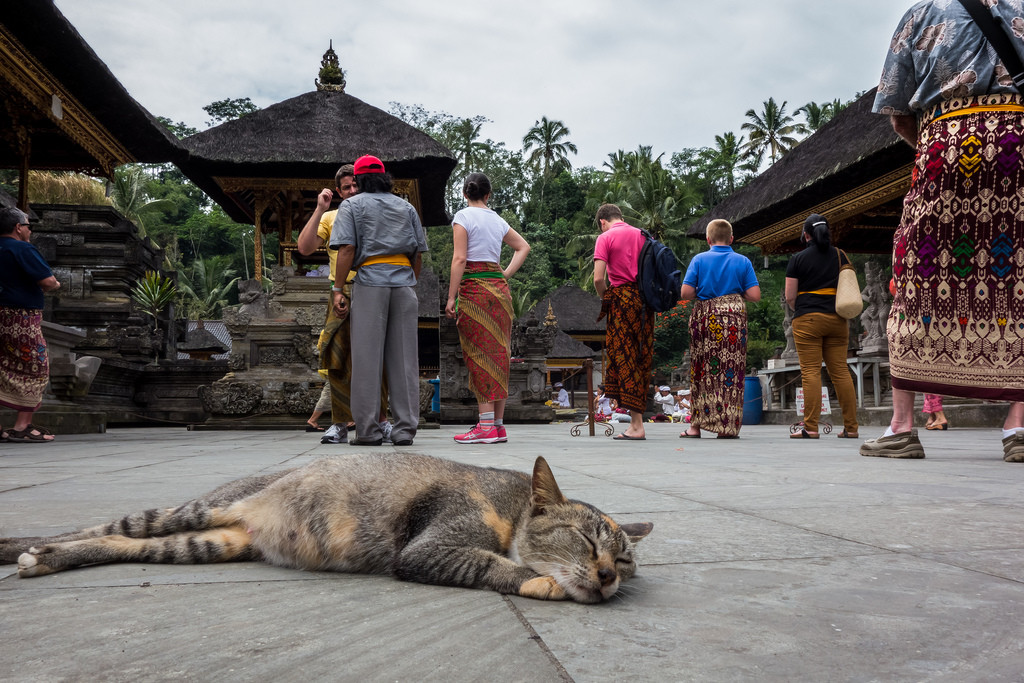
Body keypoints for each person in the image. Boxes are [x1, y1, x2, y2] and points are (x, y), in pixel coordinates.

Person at [869, 1, 1024, 462]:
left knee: (917, 272)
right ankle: (1018, 428)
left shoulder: (921, 14)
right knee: (1017, 274)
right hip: (1019, 140)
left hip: (948, 139)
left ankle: (901, 426)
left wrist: (945, 146)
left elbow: (898, 113)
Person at [331, 155, 428, 447]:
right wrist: (408, 281)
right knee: (405, 361)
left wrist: (338, 288)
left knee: (366, 360)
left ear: (359, 181)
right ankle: (404, 431)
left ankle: (369, 432)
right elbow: (417, 254)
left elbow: (347, 248)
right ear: (385, 178)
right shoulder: (406, 206)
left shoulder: (351, 205)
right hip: (403, 284)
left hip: (370, 282)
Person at [445, 172, 530, 445]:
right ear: (488, 195)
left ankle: (484, 427)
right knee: (499, 353)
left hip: (474, 289)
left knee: (479, 354)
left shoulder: (463, 217)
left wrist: (450, 297)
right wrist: (504, 274)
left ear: (464, 194)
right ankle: (497, 425)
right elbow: (523, 247)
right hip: (499, 290)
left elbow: (459, 258)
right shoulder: (497, 219)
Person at [679, 219, 760, 439]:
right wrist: (733, 296)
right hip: (733, 322)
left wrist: (706, 293)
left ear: (708, 239)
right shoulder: (742, 261)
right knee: (731, 373)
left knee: (702, 370)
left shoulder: (699, 260)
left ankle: (695, 427)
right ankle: (727, 427)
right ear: (731, 239)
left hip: (706, 318)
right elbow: (754, 295)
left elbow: (685, 293)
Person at [783, 214, 860, 440]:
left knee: (810, 372)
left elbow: (789, 297)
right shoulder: (840, 255)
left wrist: (806, 306)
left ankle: (811, 427)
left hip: (808, 319)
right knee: (840, 372)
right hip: (837, 320)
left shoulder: (797, 259)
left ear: (806, 234)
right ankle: (851, 428)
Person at [593, 204, 654, 441]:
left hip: (621, 301)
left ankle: (637, 425)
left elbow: (599, 278)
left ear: (602, 222)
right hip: (645, 302)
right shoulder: (642, 235)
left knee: (624, 357)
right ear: (622, 217)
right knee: (641, 356)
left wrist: (606, 298)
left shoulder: (605, 237)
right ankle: (637, 420)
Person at [0, 208, 60, 443]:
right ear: (17, 227)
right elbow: (47, 280)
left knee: (2, 365)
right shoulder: (21, 248)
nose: (29, 229)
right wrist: (53, 285)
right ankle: (22, 426)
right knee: (35, 365)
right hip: (20, 316)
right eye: (27, 225)